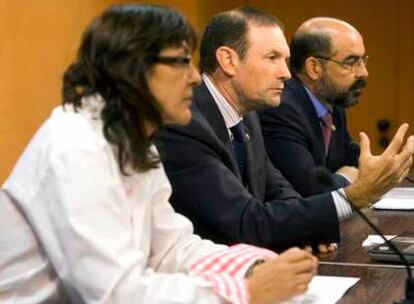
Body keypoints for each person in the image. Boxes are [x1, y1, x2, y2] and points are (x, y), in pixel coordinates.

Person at [0, 5, 318, 304]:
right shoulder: (74, 147)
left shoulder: (132, 141)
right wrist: (243, 291)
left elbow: (170, 250)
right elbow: (114, 294)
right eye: (181, 61)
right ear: (134, 69)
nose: (195, 77)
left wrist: (253, 266)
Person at [158, 7, 413, 252]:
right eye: (272, 58)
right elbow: (245, 221)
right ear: (228, 60)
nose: (286, 74)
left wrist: (305, 230)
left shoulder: (248, 116)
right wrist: (354, 196)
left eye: (286, 60)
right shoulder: (185, 122)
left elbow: (280, 192)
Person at [259, 17, 367, 197]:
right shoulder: (281, 109)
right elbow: (310, 189)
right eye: (351, 62)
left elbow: (352, 161)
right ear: (314, 68)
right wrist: (346, 179)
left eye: (363, 60)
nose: (363, 72)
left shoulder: (333, 103)